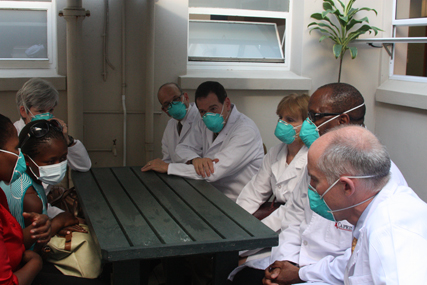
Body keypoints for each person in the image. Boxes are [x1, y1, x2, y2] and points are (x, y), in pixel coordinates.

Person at [230, 83, 407, 284]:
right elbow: (294, 214)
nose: (308, 124)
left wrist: (301, 273)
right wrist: (285, 261)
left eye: (313, 117)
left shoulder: (378, 177)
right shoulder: (321, 154)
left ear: (343, 120)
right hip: (296, 261)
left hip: (329, 274)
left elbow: (358, 259)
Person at [307, 125, 427, 284]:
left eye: (315, 179)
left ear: (347, 187)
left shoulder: (390, 231)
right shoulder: (372, 210)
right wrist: (302, 274)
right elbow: (352, 266)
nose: (311, 186)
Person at [142, 81, 264, 202]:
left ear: (227, 104)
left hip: (239, 201)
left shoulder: (246, 131)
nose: (208, 115)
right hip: (210, 194)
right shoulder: (202, 123)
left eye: (213, 108)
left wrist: (168, 167)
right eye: (203, 111)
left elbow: (213, 172)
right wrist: (195, 159)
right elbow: (182, 148)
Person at [236, 94, 309, 263]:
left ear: (307, 124)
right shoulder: (276, 152)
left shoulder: (312, 158)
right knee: (231, 253)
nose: (282, 123)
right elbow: (254, 192)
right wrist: (235, 224)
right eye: (280, 118)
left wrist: (251, 238)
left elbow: (291, 211)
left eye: (290, 119)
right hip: (272, 219)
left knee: (242, 262)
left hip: (295, 229)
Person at [14, 77, 91, 218]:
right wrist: (65, 219)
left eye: (50, 110)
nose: (46, 116)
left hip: (46, 199)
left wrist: (66, 139)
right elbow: (28, 199)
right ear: (24, 111)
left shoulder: (50, 133)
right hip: (28, 205)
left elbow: (84, 166)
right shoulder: (13, 141)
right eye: (40, 110)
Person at [0, 113, 52, 285]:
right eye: (15, 148)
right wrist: (36, 262)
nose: (19, 156)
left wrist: (36, 229)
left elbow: (8, 242)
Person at [158, 82, 200, 163]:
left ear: (186, 97)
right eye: (167, 104)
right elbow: (167, 159)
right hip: (175, 174)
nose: (173, 105)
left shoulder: (201, 120)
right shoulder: (170, 125)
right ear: (165, 110)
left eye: (176, 99)